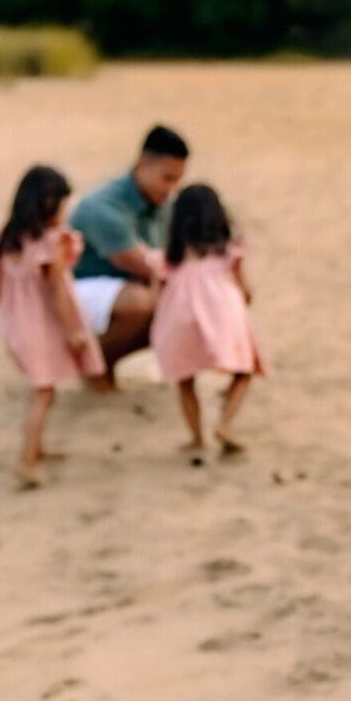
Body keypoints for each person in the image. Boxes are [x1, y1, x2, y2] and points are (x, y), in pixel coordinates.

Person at [0, 165, 104, 489]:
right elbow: (58, 291)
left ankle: (37, 448)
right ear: (49, 204)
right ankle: (26, 460)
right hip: (39, 326)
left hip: (15, 325)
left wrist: (9, 312)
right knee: (44, 392)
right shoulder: (49, 244)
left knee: (43, 388)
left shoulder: (8, 242)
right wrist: (73, 331)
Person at [150, 183, 266, 461]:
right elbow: (243, 287)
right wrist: (246, 299)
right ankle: (225, 424)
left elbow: (159, 291)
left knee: (185, 378)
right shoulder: (228, 249)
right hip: (224, 310)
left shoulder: (172, 256)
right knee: (244, 368)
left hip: (181, 318)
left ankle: (197, 438)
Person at [70, 125, 188, 384]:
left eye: (178, 180)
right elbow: (146, 266)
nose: (172, 188)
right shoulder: (104, 208)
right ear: (141, 164)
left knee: (188, 305)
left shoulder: (162, 202)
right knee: (145, 303)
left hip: (121, 288)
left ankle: (105, 361)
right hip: (72, 293)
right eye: (167, 178)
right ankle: (94, 365)